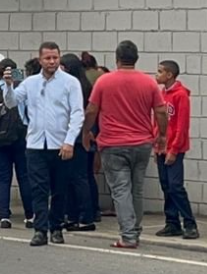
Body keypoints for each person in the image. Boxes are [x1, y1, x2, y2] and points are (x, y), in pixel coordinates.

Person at [84, 41, 166, 250]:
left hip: (113, 143)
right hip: (141, 143)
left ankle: (128, 236)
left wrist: (86, 131)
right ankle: (134, 231)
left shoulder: (104, 82)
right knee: (136, 190)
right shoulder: (148, 83)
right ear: (136, 58)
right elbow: (161, 111)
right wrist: (162, 135)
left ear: (117, 58)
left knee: (121, 190)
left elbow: (92, 110)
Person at [8, 42, 86, 247]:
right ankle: (40, 229)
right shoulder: (30, 82)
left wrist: (70, 141)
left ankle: (57, 227)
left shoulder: (70, 83)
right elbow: (11, 102)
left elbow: (77, 113)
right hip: (35, 144)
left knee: (60, 189)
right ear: (40, 59)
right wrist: (8, 85)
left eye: (55, 58)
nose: (52, 62)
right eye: (48, 58)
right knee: (38, 189)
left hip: (60, 144)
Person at [0, 57, 34, 230]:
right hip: (20, 134)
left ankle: (4, 215)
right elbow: (30, 110)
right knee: (23, 176)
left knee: (3, 177)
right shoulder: (23, 87)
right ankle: (29, 215)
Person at [154, 60, 198, 240]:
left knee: (175, 186)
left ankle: (190, 223)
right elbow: (157, 120)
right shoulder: (161, 94)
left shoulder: (180, 95)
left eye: (160, 72)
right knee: (166, 186)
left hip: (174, 148)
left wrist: (174, 149)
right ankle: (172, 223)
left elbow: (181, 125)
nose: (156, 75)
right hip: (161, 148)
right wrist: (156, 143)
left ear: (169, 74)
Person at [59, 53, 99, 231]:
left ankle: (82, 216)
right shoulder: (85, 86)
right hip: (80, 135)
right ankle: (77, 215)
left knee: (77, 178)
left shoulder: (72, 87)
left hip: (74, 136)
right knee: (80, 177)